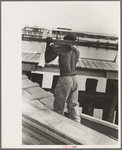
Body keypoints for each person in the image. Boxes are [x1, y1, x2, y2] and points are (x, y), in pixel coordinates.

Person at [45, 33, 81, 123]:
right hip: (75, 78)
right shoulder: (76, 51)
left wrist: (47, 44)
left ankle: (58, 128)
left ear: (65, 40)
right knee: (73, 105)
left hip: (65, 78)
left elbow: (47, 59)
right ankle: (77, 125)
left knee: (59, 107)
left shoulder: (61, 48)